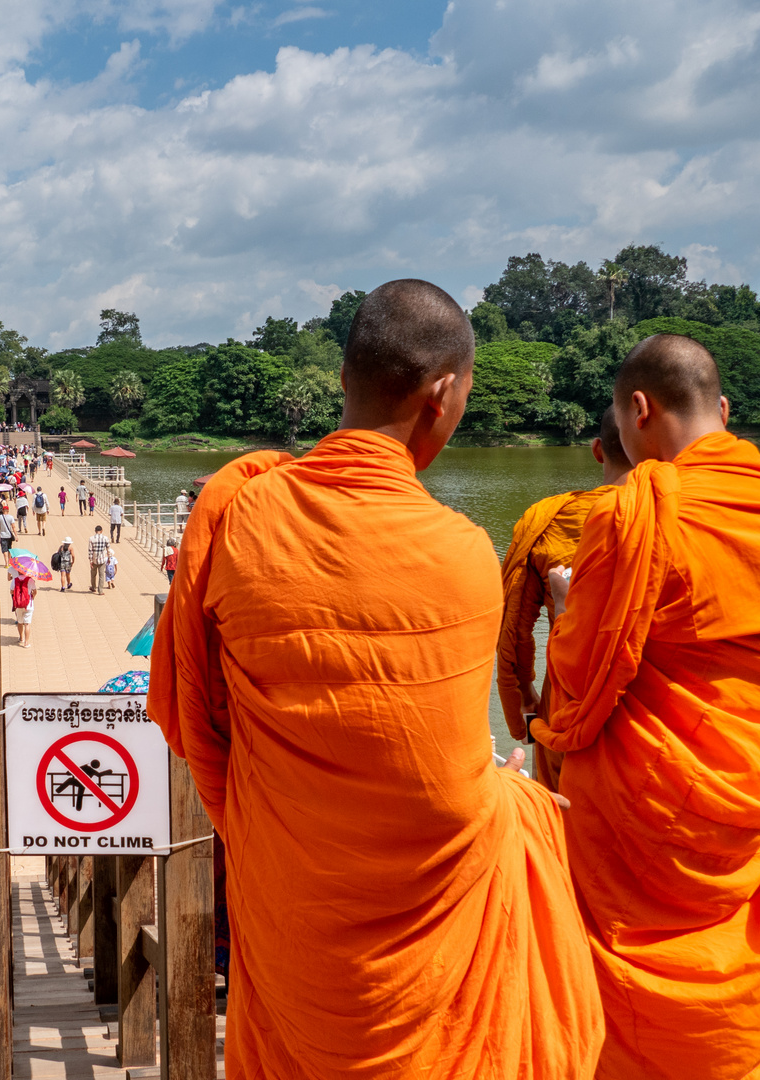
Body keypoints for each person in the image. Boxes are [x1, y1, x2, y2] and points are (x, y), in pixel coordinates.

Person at [149, 279, 604, 1077]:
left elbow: (192, 720)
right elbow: (444, 777)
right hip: (427, 940)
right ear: (443, 395)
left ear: (342, 381)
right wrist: (516, 794)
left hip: (292, 908)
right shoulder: (461, 553)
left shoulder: (239, 520)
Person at [533, 334, 760, 1080]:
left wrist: (568, 610)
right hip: (749, 804)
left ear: (638, 410)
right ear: (724, 409)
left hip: (638, 826)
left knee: (624, 1026)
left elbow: (581, 676)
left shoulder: (631, 517)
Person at [496, 405, 632, 792]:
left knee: (568, 817)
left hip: (568, 699)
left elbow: (515, 630)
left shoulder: (551, 519)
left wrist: (521, 695)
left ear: (597, 450)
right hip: (661, 701)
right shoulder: (684, 514)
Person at [11, 567, 37, 647]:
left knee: (20, 622)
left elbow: (11, 591)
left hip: (18, 605)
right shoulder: (30, 580)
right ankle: (26, 642)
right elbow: (35, 591)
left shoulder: (14, 580)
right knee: (27, 624)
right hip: (28, 604)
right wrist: (33, 596)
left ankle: (21, 638)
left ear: (18, 572)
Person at [87, 524, 108, 593]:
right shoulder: (105, 538)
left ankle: (93, 587)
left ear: (95, 531)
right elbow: (108, 548)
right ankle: (100, 590)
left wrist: (90, 560)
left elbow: (90, 550)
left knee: (93, 574)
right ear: (101, 531)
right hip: (102, 559)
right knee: (101, 575)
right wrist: (109, 558)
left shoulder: (91, 538)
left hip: (94, 559)